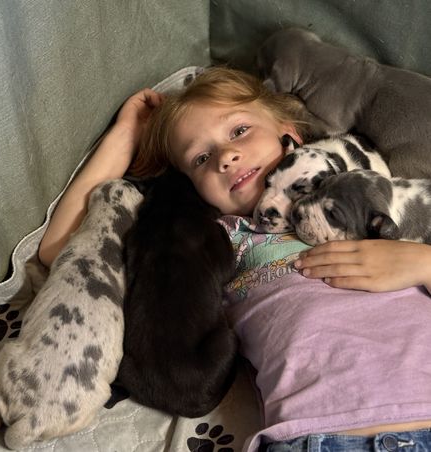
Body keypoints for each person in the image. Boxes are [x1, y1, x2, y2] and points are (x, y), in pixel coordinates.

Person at [39, 67, 431, 451]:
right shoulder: (217, 239)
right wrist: (126, 134)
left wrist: (422, 263)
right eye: (200, 159)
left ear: (290, 134)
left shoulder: (369, 195)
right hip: (316, 434)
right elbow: (59, 247)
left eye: (239, 130)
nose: (225, 156)